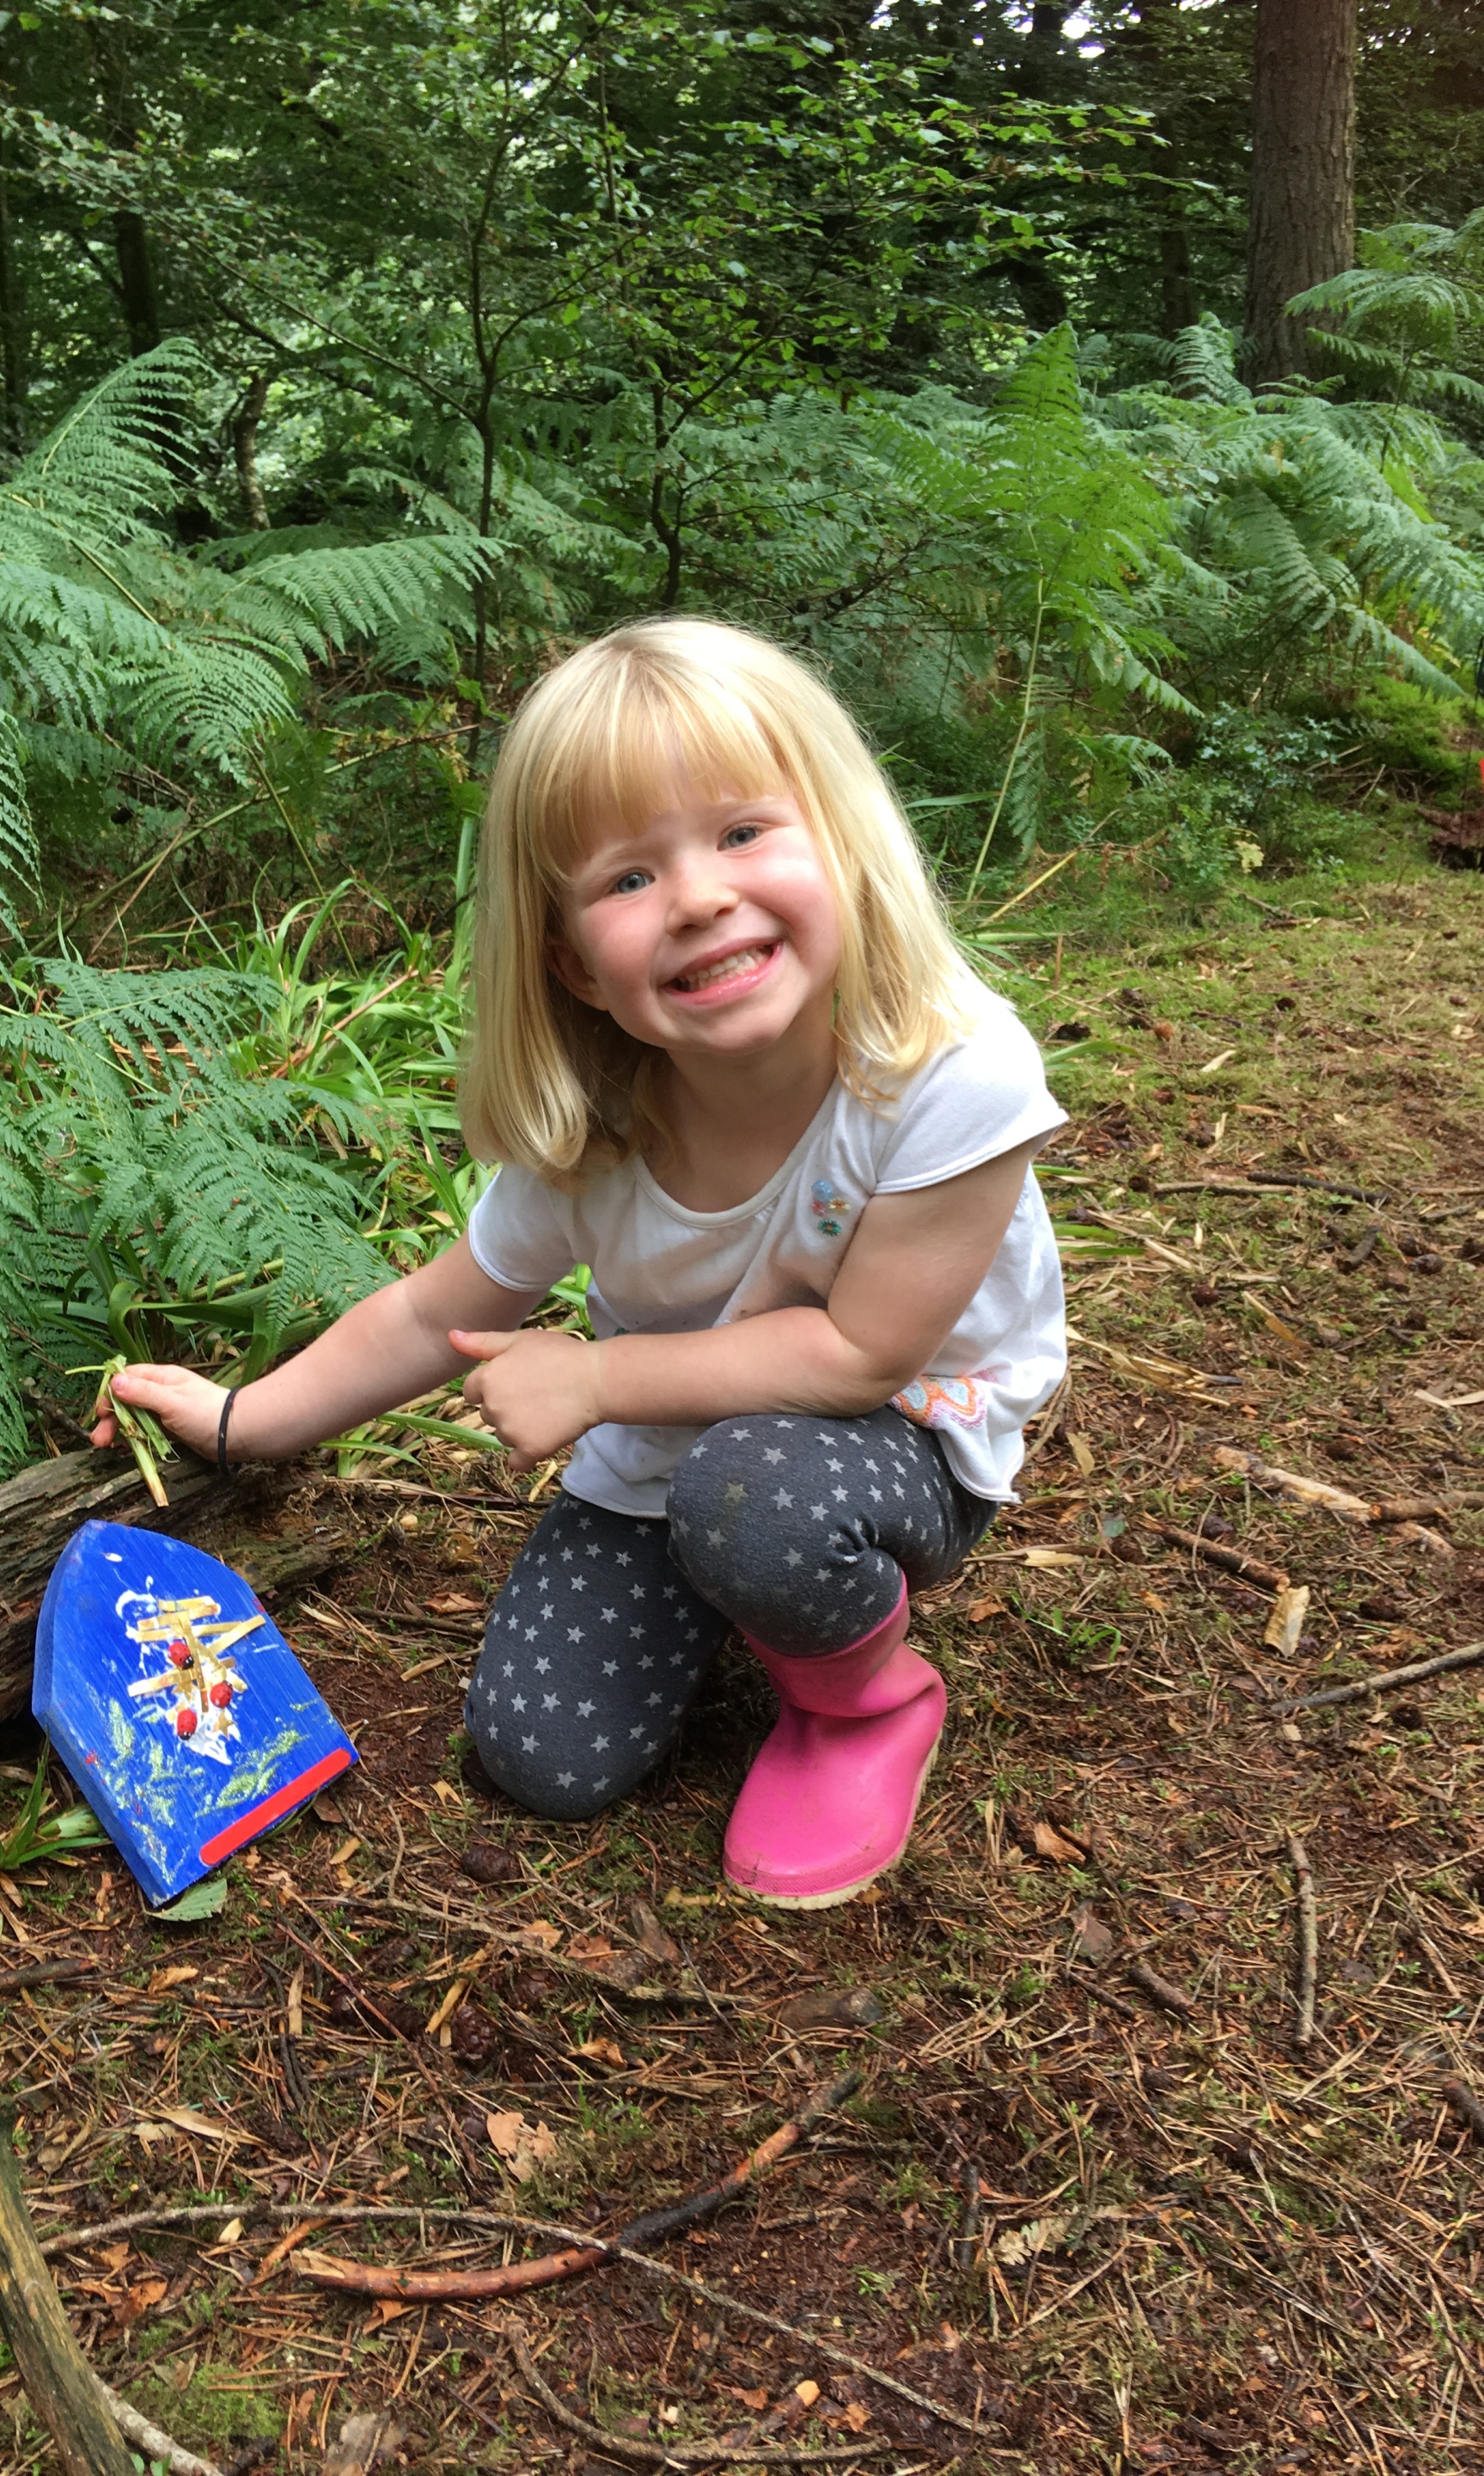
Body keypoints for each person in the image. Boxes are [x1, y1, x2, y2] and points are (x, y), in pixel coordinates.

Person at [92, 619, 1066, 1908]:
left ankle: (863, 1702)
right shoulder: (597, 1127)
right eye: (624, 879)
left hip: (888, 1434)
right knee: (538, 1751)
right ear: (569, 963)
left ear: (839, 831)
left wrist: (597, 1377)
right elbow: (439, 1308)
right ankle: (748, 1592)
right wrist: (239, 1421)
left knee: (754, 1496)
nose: (699, 896)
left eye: (740, 832)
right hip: (682, 1440)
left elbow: (857, 1352)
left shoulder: (947, 1075)